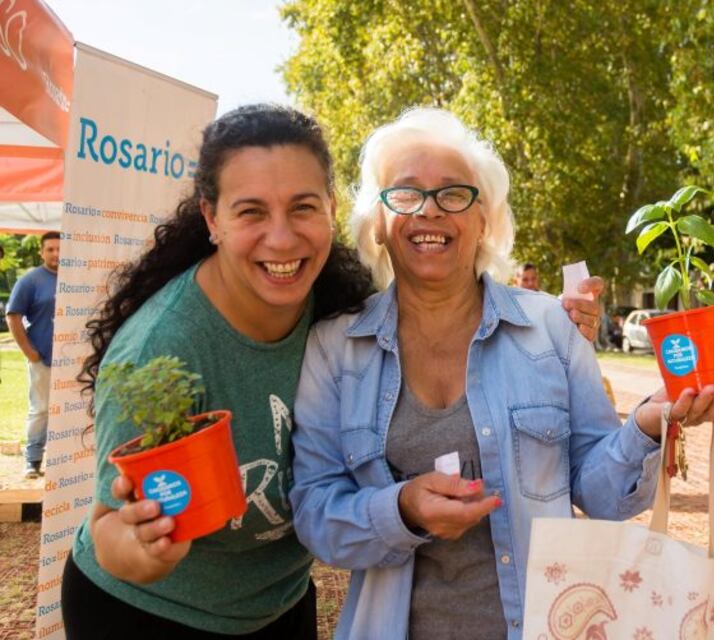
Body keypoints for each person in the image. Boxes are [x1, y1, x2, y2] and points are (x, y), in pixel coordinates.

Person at [61, 104, 603, 639]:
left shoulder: (334, 305)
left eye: (302, 208)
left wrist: (565, 332)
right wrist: (143, 551)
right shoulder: (161, 352)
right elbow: (109, 524)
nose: (282, 238)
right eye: (251, 211)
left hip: (279, 605)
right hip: (155, 614)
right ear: (212, 218)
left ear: (330, 208)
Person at [289, 107, 714, 640]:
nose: (430, 211)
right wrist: (403, 510)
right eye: (406, 194)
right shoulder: (335, 348)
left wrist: (647, 425)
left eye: (453, 194)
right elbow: (316, 514)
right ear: (377, 221)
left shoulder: (549, 328)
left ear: (485, 219)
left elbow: (602, 496)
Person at [6, 231, 60, 479]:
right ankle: (33, 460)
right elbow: (13, 315)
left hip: (73, 361)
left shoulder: (78, 278)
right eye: (50, 249)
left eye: (60, 249)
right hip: (44, 359)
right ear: (41, 252)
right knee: (41, 410)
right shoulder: (31, 281)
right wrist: (29, 352)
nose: (56, 254)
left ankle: (64, 461)